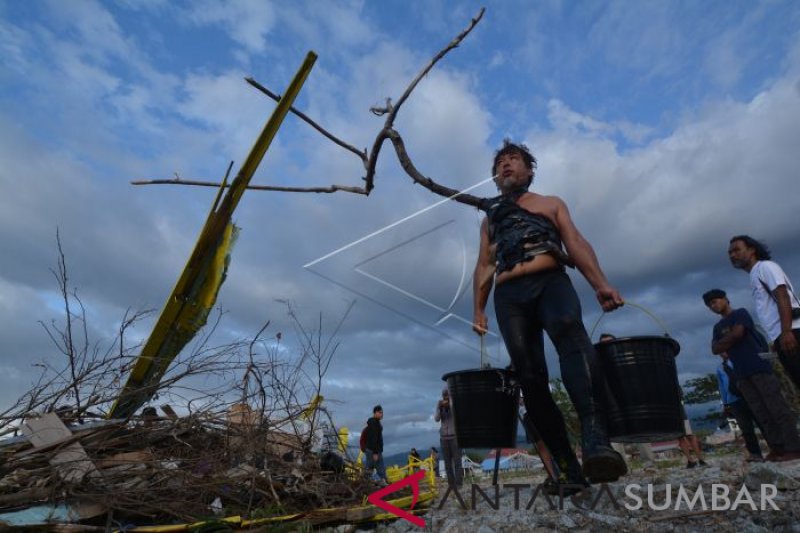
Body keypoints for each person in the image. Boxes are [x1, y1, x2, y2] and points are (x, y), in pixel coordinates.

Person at [472, 139, 627, 487]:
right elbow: (484, 265)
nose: (506, 164)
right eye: (500, 162)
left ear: (529, 171)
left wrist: (600, 283)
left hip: (551, 282)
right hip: (509, 296)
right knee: (529, 376)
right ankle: (566, 468)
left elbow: (575, 242)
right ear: (495, 177)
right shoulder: (490, 219)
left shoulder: (551, 204)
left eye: (514, 159)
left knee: (569, 330)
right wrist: (478, 309)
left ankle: (597, 441)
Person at [705, 287, 800, 461]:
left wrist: (727, 341)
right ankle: (777, 448)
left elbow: (739, 333)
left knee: (777, 408)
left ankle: (794, 447)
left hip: (758, 367)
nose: (714, 305)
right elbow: (715, 348)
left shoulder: (740, 313)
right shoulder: (717, 327)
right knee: (761, 413)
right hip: (741, 374)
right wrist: (731, 338)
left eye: (716, 300)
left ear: (726, 299)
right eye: (710, 304)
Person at [728, 235, 800, 389]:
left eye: (736, 250)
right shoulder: (755, 275)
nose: (732, 255)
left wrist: (786, 332)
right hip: (783, 335)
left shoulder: (765, 267)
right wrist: (776, 339)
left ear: (752, 250)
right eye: (730, 253)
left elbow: (782, 296)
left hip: (792, 331)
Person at [715, 352, 764, 462]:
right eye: (721, 352)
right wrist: (725, 403)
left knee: (762, 422)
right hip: (734, 400)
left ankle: (776, 447)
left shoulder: (739, 361)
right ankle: (755, 453)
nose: (723, 353)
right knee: (746, 427)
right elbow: (722, 386)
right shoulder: (720, 368)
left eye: (725, 350)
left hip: (749, 395)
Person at [434, 387, 463, 486]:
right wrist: (439, 407)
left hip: (455, 437)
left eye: (447, 395)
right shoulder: (440, 406)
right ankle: (451, 484)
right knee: (447, 463)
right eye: (444, 395)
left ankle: (459, 483)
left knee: (457, 461)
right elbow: (436, 419)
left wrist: (449, 404)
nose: (445, 397)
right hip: (444, 438)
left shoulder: (455, 404)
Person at [363, 405, 388, 483]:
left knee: (371, 467)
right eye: (380, 412)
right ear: (375, 412)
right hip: (373, 450)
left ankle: (366, 482)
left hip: (374, 449)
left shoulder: (375, 422)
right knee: (377, 467)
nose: (382, 414)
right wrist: (375, 452)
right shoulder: (374, 423)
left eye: (382, 413)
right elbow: (373, 438)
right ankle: (382, 482)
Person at [677, 403, 707, 468]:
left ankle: (691, 461)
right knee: (690, 436)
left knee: (681, 438)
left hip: (673, 416)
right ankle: (700, 459)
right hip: (681, 414)